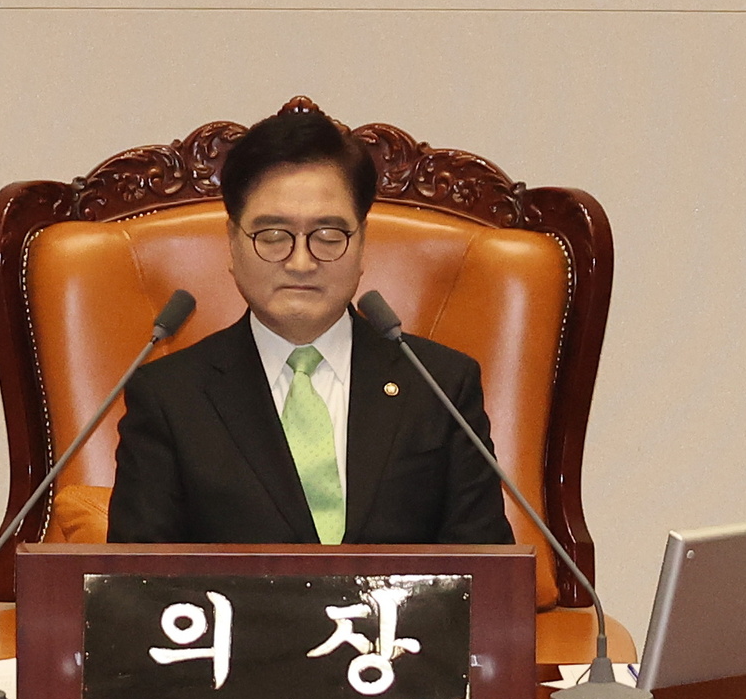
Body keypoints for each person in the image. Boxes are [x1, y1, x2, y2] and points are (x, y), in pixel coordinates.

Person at [105, 104, 511, 548]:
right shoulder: (168, 396)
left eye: (328, 235)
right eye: (273, 235)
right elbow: (136, 587)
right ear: (232, 243)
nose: (301, 262)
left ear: (362, 243)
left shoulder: (440, 386)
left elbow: (486, 578)